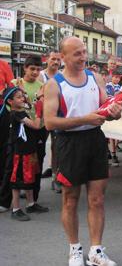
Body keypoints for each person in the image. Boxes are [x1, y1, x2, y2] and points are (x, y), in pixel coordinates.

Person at [44, 36, 122, 266]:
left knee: (97, 199)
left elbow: (106, 106)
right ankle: (75, 249)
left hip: (95, 141)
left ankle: (96, 251)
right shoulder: (53, 84)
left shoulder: (94, 77)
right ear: (63, 57)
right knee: (70, 200)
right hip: (69, 144)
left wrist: (115, 110)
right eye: (77, 53)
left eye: (83, 51)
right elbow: (49, 122)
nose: (83, 57)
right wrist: (84, 119)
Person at [3, 87, 46, 221]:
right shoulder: (17, 114)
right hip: (20, 152)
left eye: (23, 96)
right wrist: (39, 112)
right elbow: (36, 125)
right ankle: (16, 209)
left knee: (30, 176)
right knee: (18, 179)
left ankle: (31, 203)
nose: (22, 98)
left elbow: (28, 104)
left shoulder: (21, 111)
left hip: (28, 149)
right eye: (18, 97)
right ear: (10, 101)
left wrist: (35, 101)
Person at [39, 51, 62, 184]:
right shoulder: (41, 76)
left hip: (56, 117)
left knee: (56, 147)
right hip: (41, 118)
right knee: (39, 150)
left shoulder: (61, 76)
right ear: (47, 59)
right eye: (53, 59)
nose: (55, 62)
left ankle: (55, 176)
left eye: (58, 60)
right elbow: (39, 95)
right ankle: (33, 182)